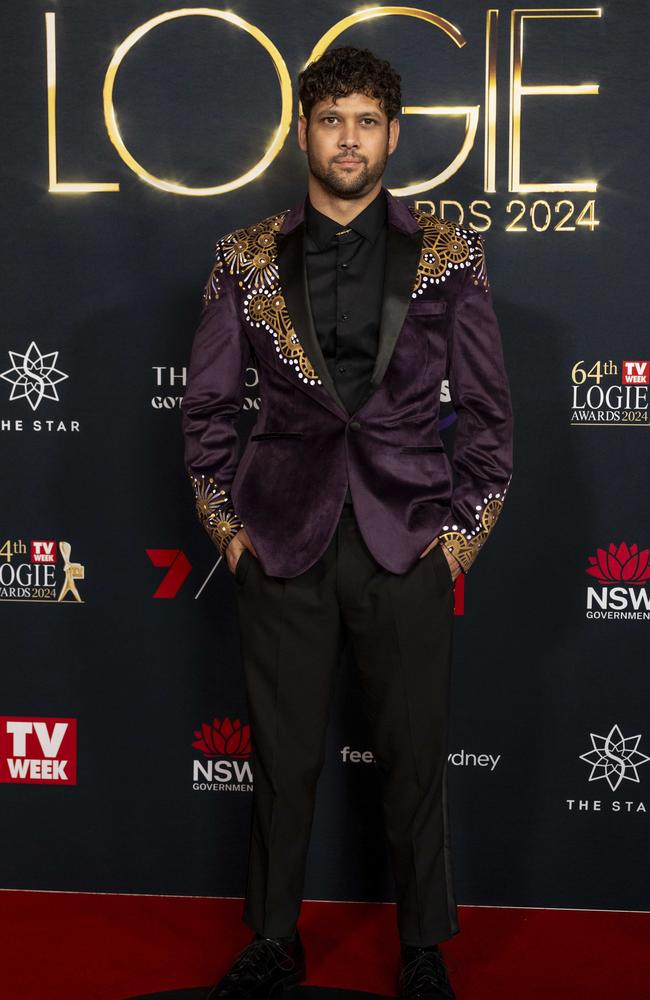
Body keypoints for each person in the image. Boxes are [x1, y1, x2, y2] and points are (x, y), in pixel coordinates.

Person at [181, 45, 513, 1000]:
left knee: (414, 754)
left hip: (407, 536)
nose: (350, 139)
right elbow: (205, 413)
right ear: (303, 133)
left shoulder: (450, 254)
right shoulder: (242, 257)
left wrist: (462, 537)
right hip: (278, 538)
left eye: (367, 121)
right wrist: (225, 528)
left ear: (394, 136)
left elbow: (489, 417)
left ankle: (422, 947)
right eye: (332, 120)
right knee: (282, 760)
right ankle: (274, 938)